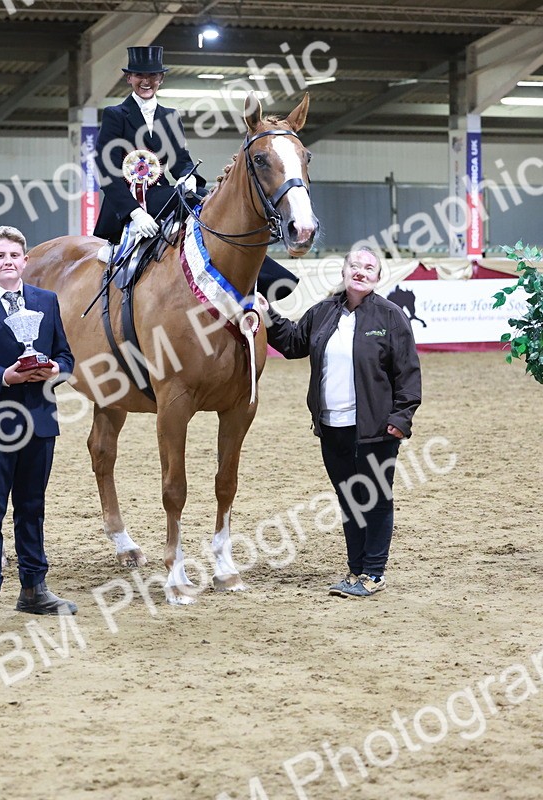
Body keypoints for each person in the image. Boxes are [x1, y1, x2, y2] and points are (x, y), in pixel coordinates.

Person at [262, 248, 422, 597]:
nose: (361, 272)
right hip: (332, 427)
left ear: (378, 277)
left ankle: (374, 574)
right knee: (350, 498)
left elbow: (407, 374)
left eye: (369, 268)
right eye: (355, 266)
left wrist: (400, 419)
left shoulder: (391, 317)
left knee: (375, 498)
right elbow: (291, 343)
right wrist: (266, 313)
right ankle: (355, 571)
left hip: (377, 429)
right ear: (344, 270)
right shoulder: (322, 312)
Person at [94, 44, 299, 299]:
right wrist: (135, 213)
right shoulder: (115, 115)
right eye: (139, 76)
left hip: (160, 196)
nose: (146, 82)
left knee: (208, 197)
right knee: (196, 201)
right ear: (129, 78)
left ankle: (255, 272)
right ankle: (271, 276)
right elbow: (106, 171)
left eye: (152, 76)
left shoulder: (169, 115)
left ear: (161, 78)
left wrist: (187, 176)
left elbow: (180, 160)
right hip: (128, 202)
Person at [0, 225, 77, 625]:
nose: (8, 262)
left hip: (39, 421)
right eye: (0, 256)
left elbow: (66, 355)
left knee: (31, 506)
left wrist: (56, 369)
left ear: (25, 261)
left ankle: (34, 589)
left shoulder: (48, 301)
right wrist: (4, 376)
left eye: (14, 256)